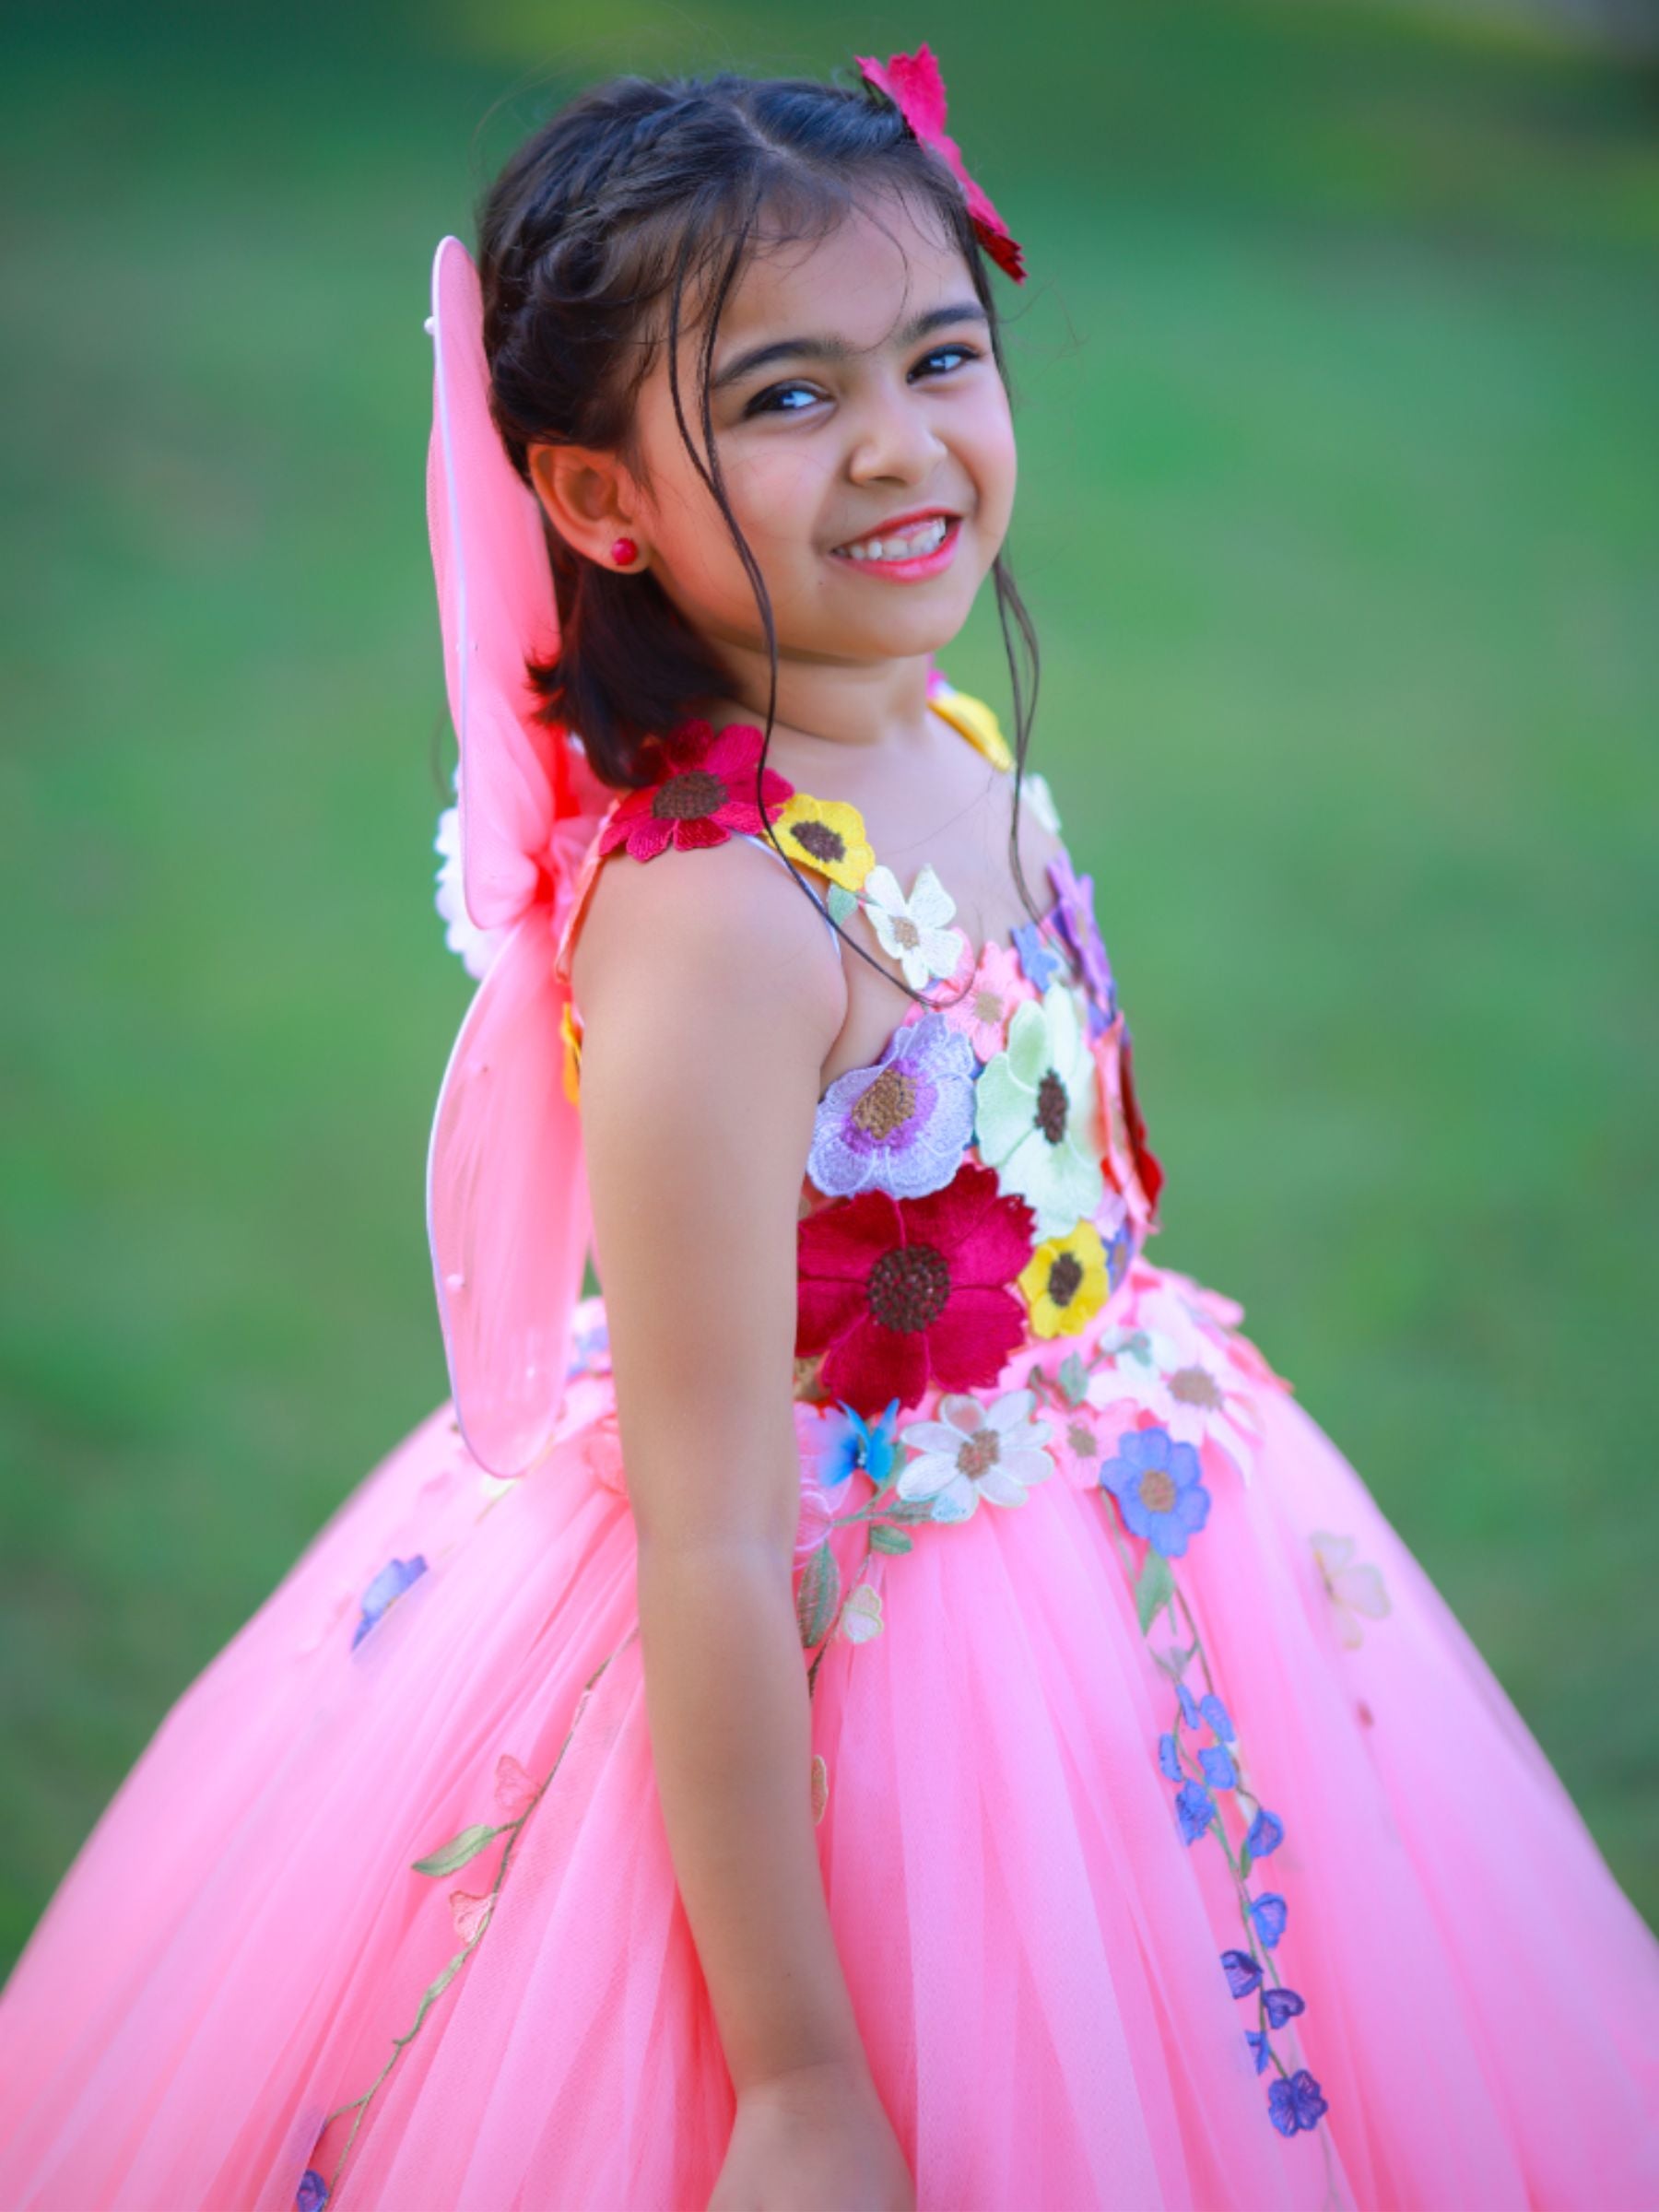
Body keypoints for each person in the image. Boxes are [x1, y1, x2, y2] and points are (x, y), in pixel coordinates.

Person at [1, 45, 1655, 2212]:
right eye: (787, 399)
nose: (902, 446)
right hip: (834, 1626)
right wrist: (791, 2075)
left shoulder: (944, 725)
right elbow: (709, 1532)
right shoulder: (715, 926)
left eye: (939, 355)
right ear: (600, 503)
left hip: (1131, 1539)